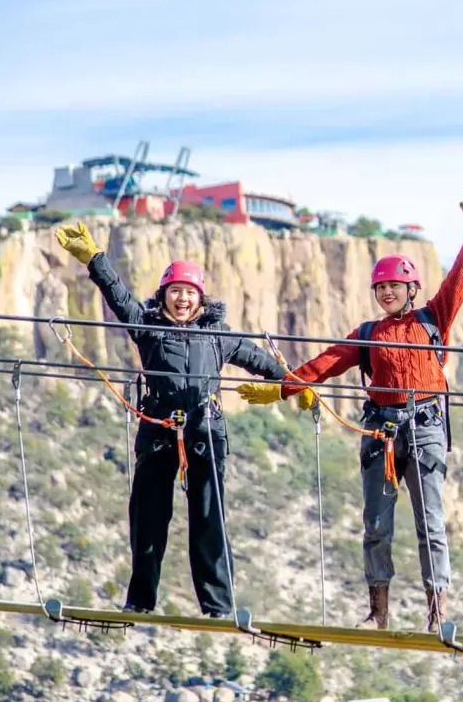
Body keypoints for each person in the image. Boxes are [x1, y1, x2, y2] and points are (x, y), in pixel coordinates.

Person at [237, 186, 463, 632]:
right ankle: (379, 610)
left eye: (393, 286)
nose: (386, 293)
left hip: (426, 426)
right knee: (377, 524)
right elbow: (327, 363)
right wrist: (281, 389)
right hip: (382, 431)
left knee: (430, 524)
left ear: (411, 288)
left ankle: (438, 612)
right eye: (380, 287)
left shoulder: (433, 317)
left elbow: (459, 278)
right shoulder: (369, 332)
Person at [54, 222, 314, 617]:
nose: (182, 299)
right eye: (175, 292)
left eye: (189, 293)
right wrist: (94, 259)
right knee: (147, 519)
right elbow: (118, 296)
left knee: (209, 520)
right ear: (164, 296)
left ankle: (218, 606)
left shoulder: (218, 336)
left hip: (205, 431)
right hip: (158, 430)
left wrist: (296, 386)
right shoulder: (149, 328)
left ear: (200, 299)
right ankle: (140, 601)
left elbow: (260, 361)